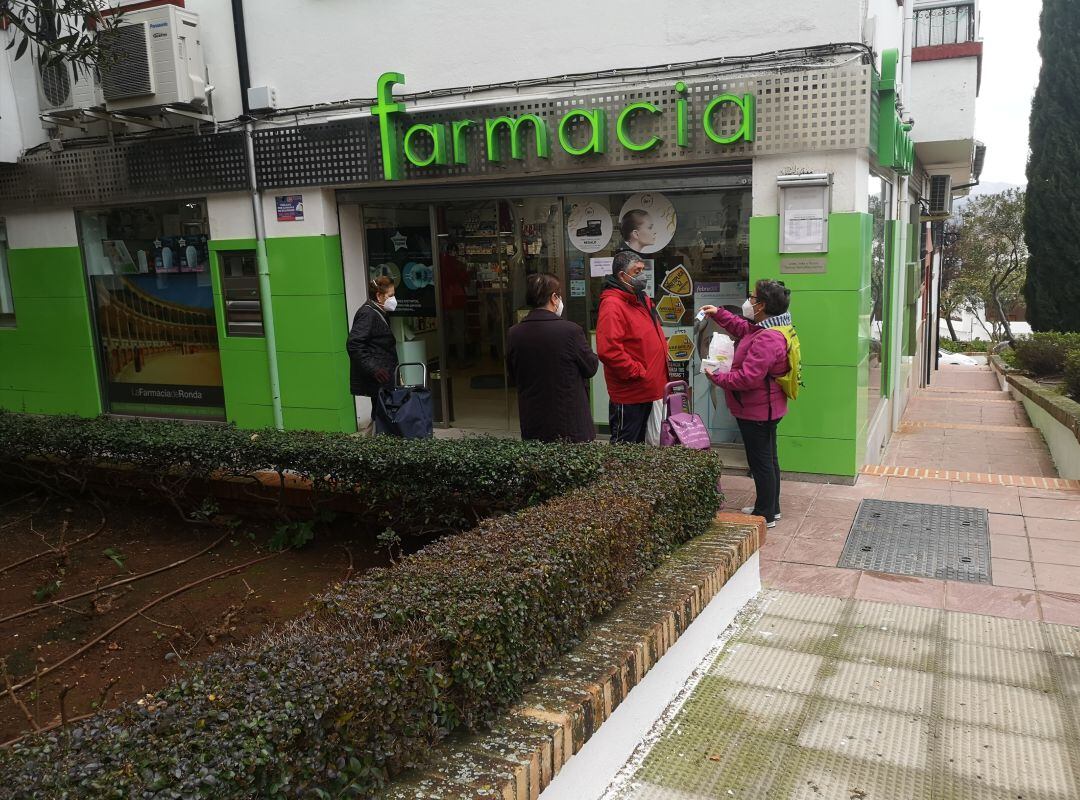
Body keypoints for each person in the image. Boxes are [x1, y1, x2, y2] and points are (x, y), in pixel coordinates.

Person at [700, 280, 793, 527]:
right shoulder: (769, 327)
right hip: (765, 406)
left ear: (761, 306)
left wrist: (716, 376)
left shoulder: (768, 339)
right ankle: (771, 507)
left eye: (752, 298)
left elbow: (749, 378)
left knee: (761, 462)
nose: (748, 301)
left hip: (758, 410)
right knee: (769, 459)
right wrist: (719, 314)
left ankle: (765, 515)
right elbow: (743, 328)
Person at [506, 273, 599, 443]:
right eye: (559, 295)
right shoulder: (571, 331)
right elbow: (591, 367)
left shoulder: (514, 333)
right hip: (569, 421)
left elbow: (513, 375)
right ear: (554, 298)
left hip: (533, 420)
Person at [597, 250, 668, 443]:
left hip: (650, 389)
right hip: (631, 392)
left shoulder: (641, 298)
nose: (643, 276)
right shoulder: (612, 305)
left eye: (643, 270)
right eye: (637, 271)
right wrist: (637, 372)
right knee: (625, 448)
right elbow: (609, 350)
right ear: (622, 275)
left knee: (646, 448)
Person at [346, 276, 399, 435]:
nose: (393, 299)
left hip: (383, 375)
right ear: (378, 296)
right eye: (390, 296)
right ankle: (373, 448)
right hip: (378, 377)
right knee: (380, 415)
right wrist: (374, 369)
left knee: (380, 414)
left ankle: (374, 446)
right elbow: (354, 344)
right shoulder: (368, 314)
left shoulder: (378, 311)